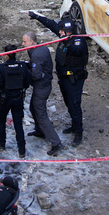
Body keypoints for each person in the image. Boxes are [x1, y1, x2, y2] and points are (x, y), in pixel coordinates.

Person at [28, 12, 89, 147]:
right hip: (64, 78)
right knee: (68, 103)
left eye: (62, 31)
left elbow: (77, 49)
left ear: (69, 32)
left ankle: (78, 132)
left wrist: (67, 41)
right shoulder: (64, 35)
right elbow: (51, 25)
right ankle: (73, 125)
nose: (59, 32)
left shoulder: (78, 41)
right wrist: (37, 16)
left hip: (74, 79)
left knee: (74, 104)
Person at [22, 31, 63, 156]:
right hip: (44, 85)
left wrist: (25, 75)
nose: (22, 44)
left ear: (32, 42)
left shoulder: (36, 55)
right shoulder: (41, 49)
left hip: (42, 87)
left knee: (41, 113)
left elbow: (36, 75)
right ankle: (39, 130)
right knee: (33, 108)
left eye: (24, 42)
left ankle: (56, 142)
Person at [0, 44, 32, 159]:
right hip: (18, 98)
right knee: (18, 124)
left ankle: (1, 143)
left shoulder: (2, 68)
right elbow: (27, 83)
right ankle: (21, 150)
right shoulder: (23, 66)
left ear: (6, 54)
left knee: (1, 120)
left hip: (4, 99)